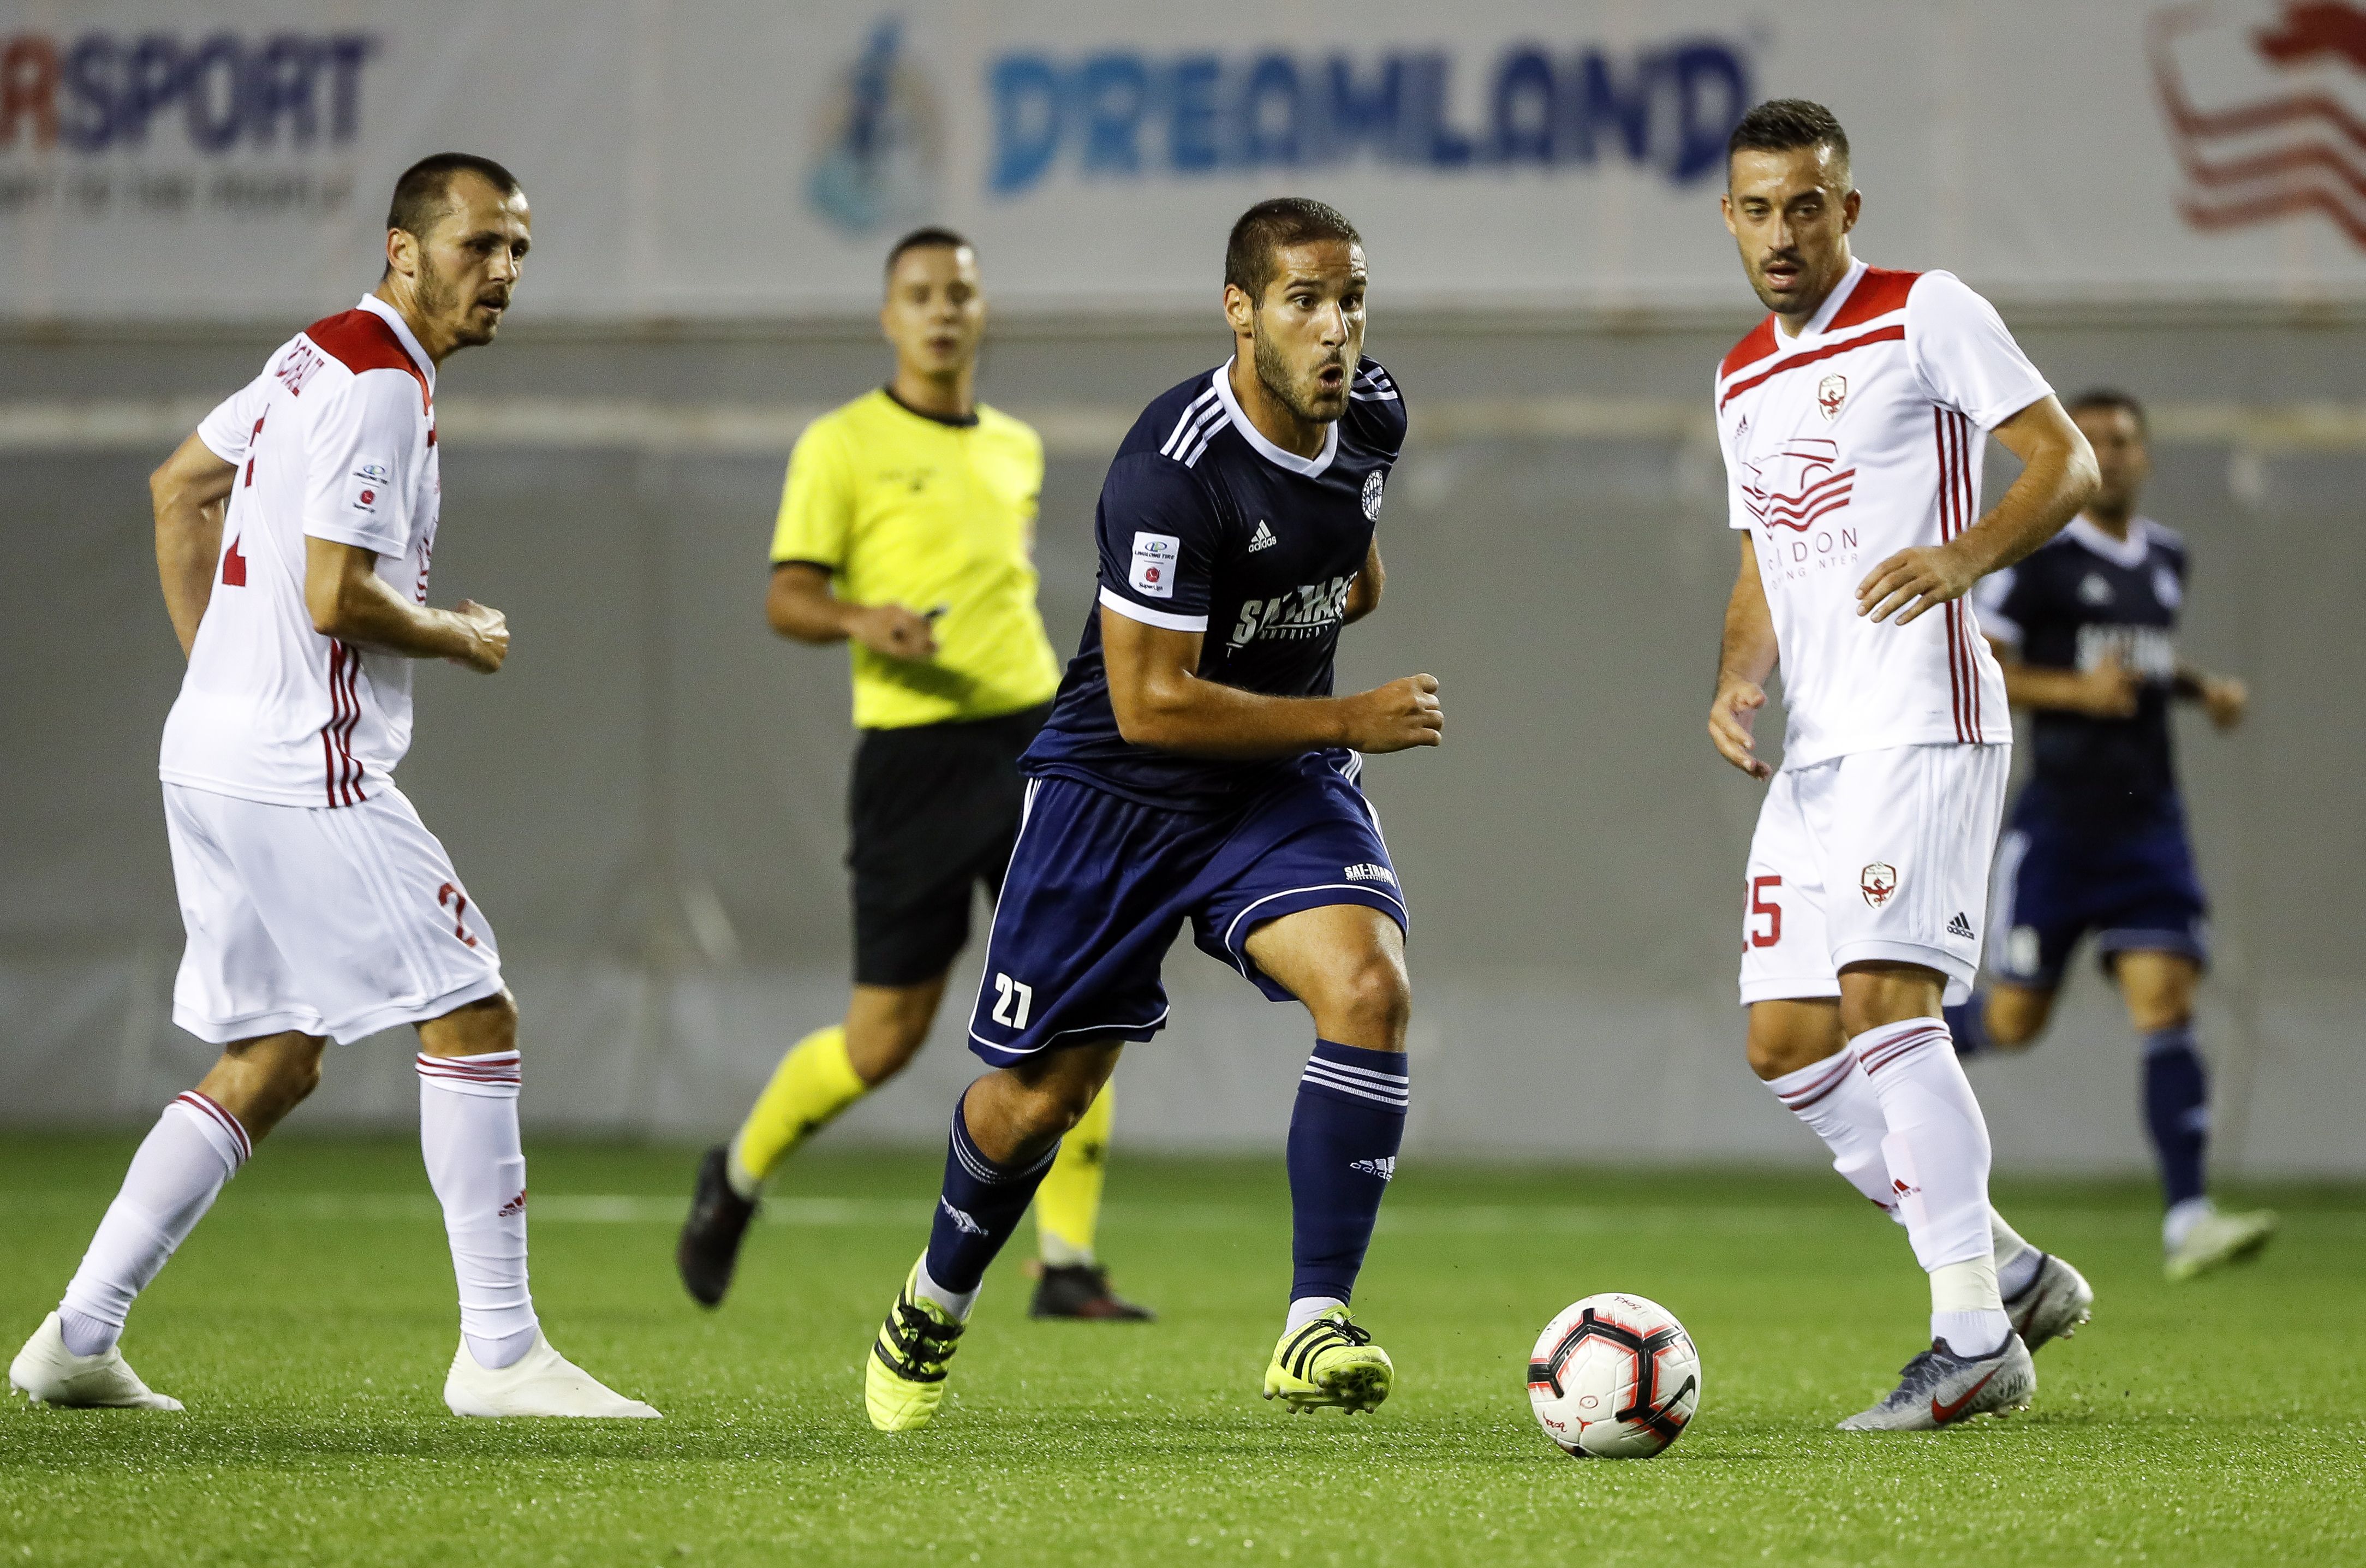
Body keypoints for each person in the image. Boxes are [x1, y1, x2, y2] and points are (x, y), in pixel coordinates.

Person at [7, 154, 655, 1418]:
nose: (504, 273)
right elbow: (335, 596)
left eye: (519, 248)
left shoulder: (315, 354)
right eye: (480, 246)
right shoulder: (374, 383)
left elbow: (179, 489)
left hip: (212, 754)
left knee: (276, 1052)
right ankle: (503, 1355)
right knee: (472, 1009)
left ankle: (76, 1337)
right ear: (403, 252)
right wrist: (460, 635)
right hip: (301, 767)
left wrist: (224, 678)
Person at [860, 196, 1440, 1432]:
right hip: (1114, 796)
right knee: (1040, 1101)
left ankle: (1311, 1324)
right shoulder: (1170, 467)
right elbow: (1150, 707)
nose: (1334, 330)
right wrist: (1346, 717)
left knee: (1369, 989)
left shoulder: (1373, 412)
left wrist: (1315, 655)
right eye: (1302, 302)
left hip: (1271, 790)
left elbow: (1352, 566)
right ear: (1240, 311)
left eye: (1350, 300)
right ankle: (935, 1294)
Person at [1705, 101, 2105, 1430]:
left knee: (1885, 1002)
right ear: (1728, 217)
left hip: (1923, 717)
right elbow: (1763, 549)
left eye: (1805, 205)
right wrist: (1738, 676)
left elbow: (2067, 460)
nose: (1781, 232)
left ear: (1845, 210)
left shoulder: (1920, 308)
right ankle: (2001, 1265)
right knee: (1785, 1041)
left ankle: (1970, 1338)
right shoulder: (1738, 376)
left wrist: (1965, 555)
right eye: (1756, 208)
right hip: (1818, 746)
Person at [674, 229, 1150, 1323]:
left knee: (1086, 997)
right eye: (920, 295)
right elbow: (786, 596)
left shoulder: (1015, 448)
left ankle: (1066, 1263)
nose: (942, 311)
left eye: (961, 294)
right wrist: (859, 619)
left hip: (1035, 745)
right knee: (882, 1040)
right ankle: (735, 1175)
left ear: (982, 313)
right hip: (913, 763)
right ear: (888, 316)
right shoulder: (840, 445)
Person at [1949, 389, 2277, 1281]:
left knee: (2168, 999)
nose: (2113, 454)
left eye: (2126, 440)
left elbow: (2137, 657)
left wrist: (2200, 687)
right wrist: (2074, 694)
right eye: (2093, 441)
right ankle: (1884, 1044)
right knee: (2013, 1022)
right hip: (2060, 824)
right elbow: (1986, 667)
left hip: (2148, 827)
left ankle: (2188, 1218)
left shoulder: (2168, 556)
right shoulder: (2039, 558)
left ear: (2147, 456)